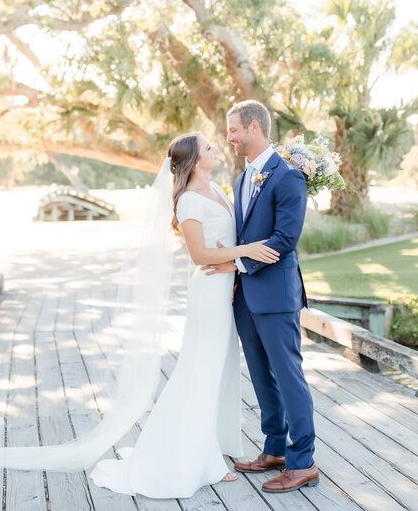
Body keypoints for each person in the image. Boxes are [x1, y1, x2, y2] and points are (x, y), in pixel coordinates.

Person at [89, 132, 280, 498]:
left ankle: (212, 444)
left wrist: (234, 258)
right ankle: (201, 458)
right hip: (209, 293)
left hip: (227, 288)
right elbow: (199, 255)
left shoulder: (218, 191)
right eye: (208, 147)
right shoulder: (190, 201)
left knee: (219, 370)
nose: (215, 149)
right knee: (202, 369)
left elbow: (222, 247)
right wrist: (249, 250)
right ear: (193, 160)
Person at [213, 99, 318, 493]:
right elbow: (244, 237)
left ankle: (303, 460)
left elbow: (285, 240)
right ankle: (274, 448)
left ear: (255, 127)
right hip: (245, 299)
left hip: (276, 296)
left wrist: (236, 265)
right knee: (260, 376)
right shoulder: (242, 179)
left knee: (289, 377)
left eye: (233, 129)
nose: (229, 138)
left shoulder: (288, 176)